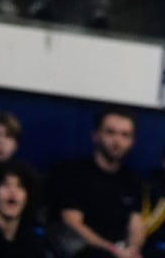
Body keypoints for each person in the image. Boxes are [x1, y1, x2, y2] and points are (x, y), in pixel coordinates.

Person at [47, 108, 144, 258]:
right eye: (110, 132)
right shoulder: (73, 172)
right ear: (95, 135)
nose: (117, 141)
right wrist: (112, 250)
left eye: (125, 135)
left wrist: (132, 250)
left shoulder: (132, 180)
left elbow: (136, 225)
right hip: (82, 250)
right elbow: (72, 222)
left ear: (132, 141)